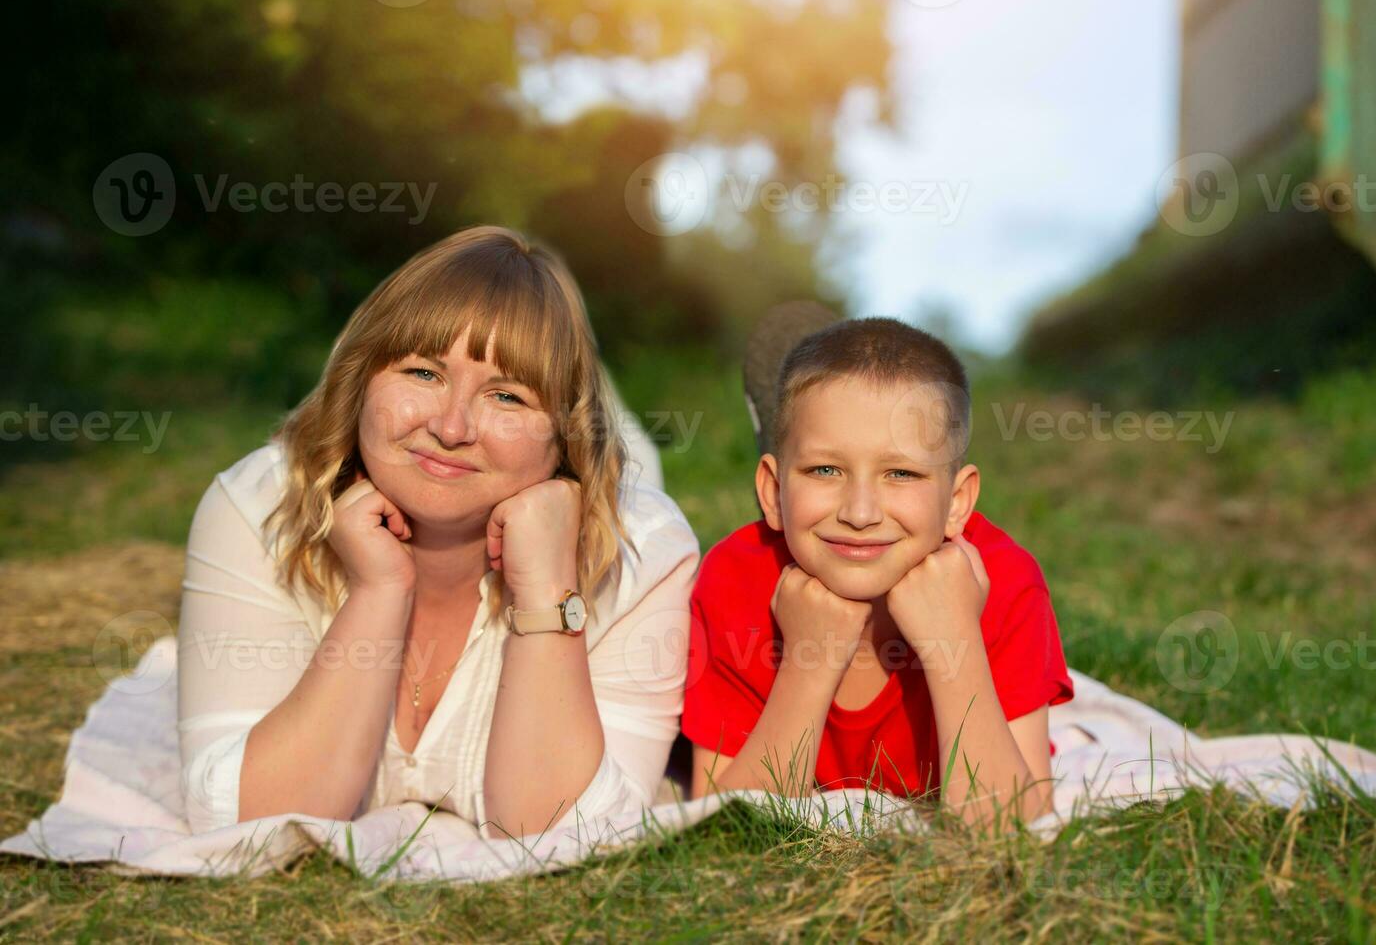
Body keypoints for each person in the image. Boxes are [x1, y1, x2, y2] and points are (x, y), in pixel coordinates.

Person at [176, 226, 699, 840]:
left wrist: (546, 592)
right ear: (359, 381)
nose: (452, 428)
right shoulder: (258, 505)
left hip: (603, 495)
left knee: (636, 465)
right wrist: (378, 592)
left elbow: (561, 834)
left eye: (507, 395)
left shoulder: (646, 547)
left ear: (562, 437)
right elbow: (247, 822)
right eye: (423, 373)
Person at [682, 316, 1073, 825]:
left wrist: (953, 640)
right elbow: (722, 828)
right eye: (826, 470)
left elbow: (1008, 827)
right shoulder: (735, 579)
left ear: (957, 503)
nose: (860, 513)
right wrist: (809, 662)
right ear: (771, 492)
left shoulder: (1005, 580)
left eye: (901, 473)